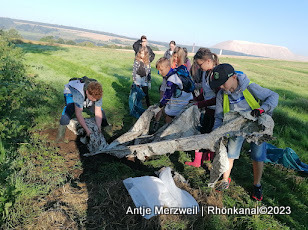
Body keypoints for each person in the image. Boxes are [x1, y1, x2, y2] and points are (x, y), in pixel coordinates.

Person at [209, 63, 279, 201]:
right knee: (231, 153)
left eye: (223, 83)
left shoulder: (249, 87)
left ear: (234, 77)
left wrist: (262, 109)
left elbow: (273, 96)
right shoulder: (222, 94)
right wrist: (215, 134)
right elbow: (218, 116)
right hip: (236, 127)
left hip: (255, 125)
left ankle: (257, 185)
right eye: (219, 84)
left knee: (258, 155)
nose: (221, 87)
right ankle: (225, 180)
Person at [185, 48, 219, 167]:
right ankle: (199, 160)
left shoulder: (215, 75)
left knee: (211, 136)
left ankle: (209, 160)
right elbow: (206, 93)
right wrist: (196, 99)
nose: (199, 67)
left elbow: (218, 98)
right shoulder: (205, 72)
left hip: (217, 113)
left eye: (200, 64)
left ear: (208, 61)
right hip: (208, 110)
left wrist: (200, 104)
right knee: (203, 133)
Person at [57, 76, 108, 141]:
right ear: (87, 92)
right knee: (69, 109)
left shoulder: (97, 93)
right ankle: (60, 135)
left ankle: (106, 129)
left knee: (101, 111)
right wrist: (87, 130)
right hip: (71, 92)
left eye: (96, 100)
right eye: (93, 99)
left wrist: (98, 126)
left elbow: (98, 111)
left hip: (85, 95)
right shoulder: (78, 94)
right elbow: (78, 114)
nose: (94, 101)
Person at [155, 48, 193, 124]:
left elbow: (167, 95)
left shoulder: (171, 79)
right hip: (187, 99)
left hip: (178, 104)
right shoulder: (179, 71)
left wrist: (160, 106)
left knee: (169, 118)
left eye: (161, 70)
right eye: (158, 71)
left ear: (167, 67)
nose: (160, 72)